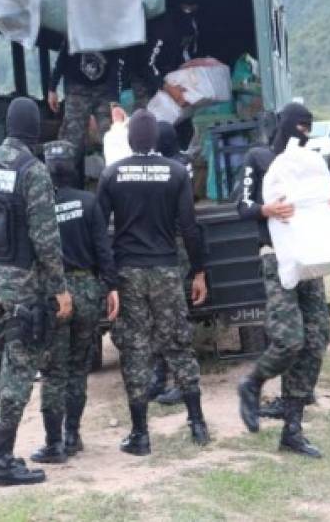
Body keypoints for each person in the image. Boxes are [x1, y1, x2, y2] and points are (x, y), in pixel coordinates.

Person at [0, 97, 72, 486]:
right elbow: (45, 238)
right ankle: (4, 461)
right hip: (24, 285)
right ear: (34, 130)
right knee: (19, 369)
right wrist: (59, 288)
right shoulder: (32, 170)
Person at [97, 109, 209, 456]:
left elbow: (99, 232)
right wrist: (200, 271)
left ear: (130, 139)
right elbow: (189, 227)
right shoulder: (176, 173)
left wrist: (108, 280)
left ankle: (140, 434)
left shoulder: (111, 174)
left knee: (136, 349)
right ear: (157, 140)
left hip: (129, 272)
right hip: (166, 270)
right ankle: (197, 422)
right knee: (178, 342)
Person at [236, 102, 330, 459]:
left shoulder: (311, 163)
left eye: (309, 127)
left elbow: (323, 205)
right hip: (276, 256)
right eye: (299, 126)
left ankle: (292, 428)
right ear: (285, 125)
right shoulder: (259, 157)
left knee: (316, 339)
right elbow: (243, 206)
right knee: (288, 340)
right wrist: (267, 210)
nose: (304, 133)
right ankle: (252, 382)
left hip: (309, 257)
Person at [31, 141, 120, 464]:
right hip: (86, 290)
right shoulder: (89, 202)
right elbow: (103, 249)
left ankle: (53, 444)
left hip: (54, 295)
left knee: (54, 371)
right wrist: (110, 286)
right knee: (78, 369)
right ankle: (73, 435)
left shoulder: (37, 207)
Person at [145, 121, 193, 407]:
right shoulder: (180, 163)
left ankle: (175, 379)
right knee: (162, 314)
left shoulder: (168, 169)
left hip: (173, 244)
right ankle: (161, 375)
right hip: (168, 244)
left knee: (173, 315)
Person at [47, 44, 121, 150]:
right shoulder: (75, 30)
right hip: (77, 88)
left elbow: (116, 64)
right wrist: (52, 88)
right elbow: (63, 56)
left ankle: (113, 164)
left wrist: (115, 101)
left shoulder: (109, 32)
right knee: (72, 136)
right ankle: (65, 165)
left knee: (110, 134)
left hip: (103, 88)